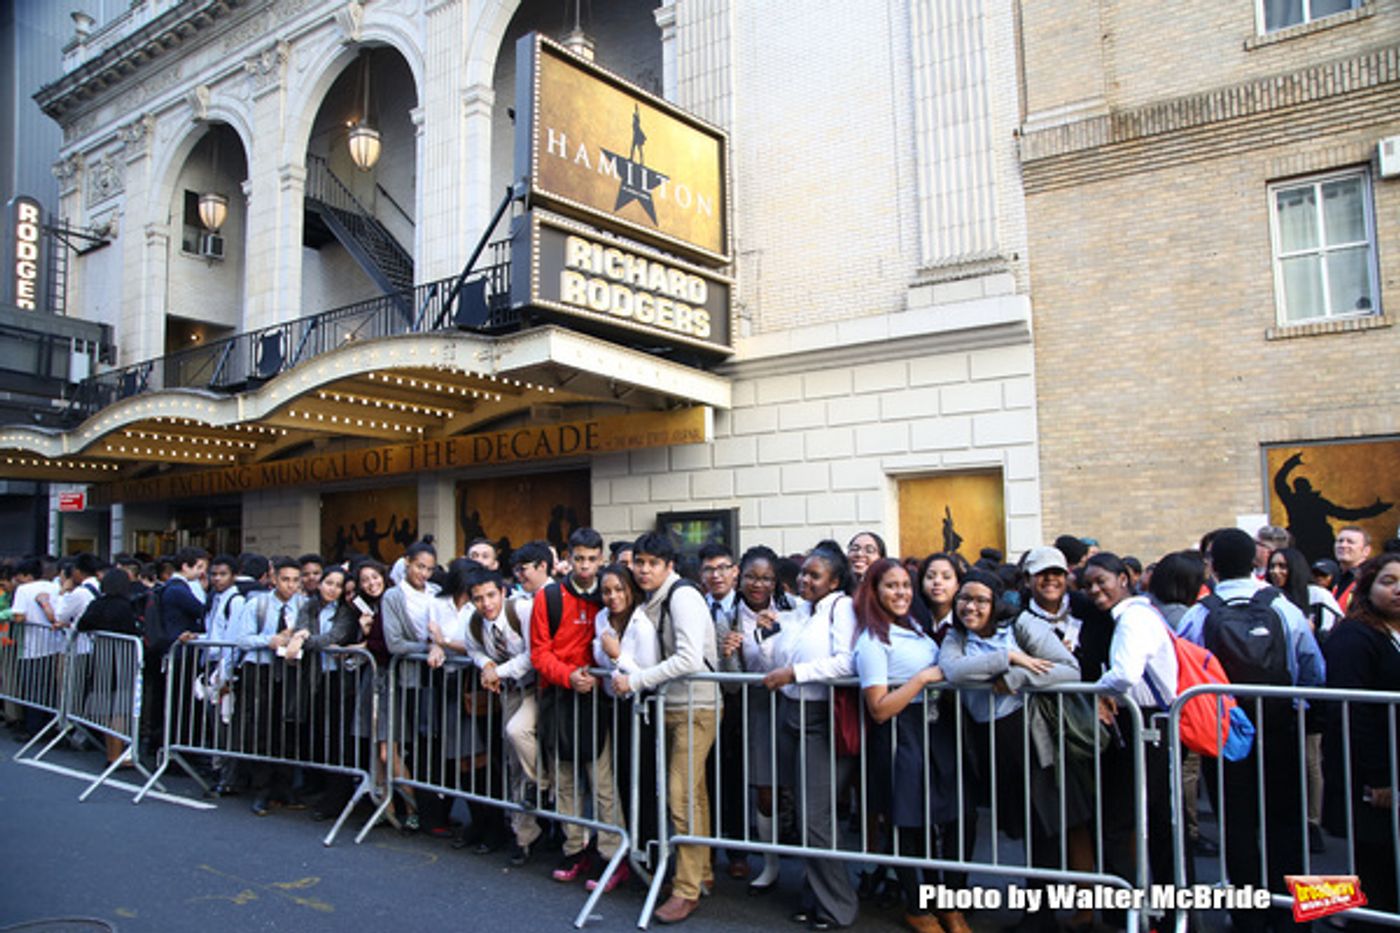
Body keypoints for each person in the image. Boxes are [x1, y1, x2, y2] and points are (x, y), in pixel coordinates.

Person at [1178, 529, 1324, 933]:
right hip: (1280, 725)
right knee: (1286, 823)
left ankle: (1248, 915)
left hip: (1224, 731)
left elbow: (1186, 669)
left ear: (1212, 565)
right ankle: (1291, 915)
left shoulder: (1200, 613)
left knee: (1237, 824)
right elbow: (1312, 666)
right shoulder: (1283, 607)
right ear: (1256, 561)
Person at [940, 568, 1080, 933]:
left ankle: (1043, 916)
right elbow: (953, 671)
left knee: (1042, 826)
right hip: (985, 739)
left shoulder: (1023, 625)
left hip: (1028, 735)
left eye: (980, 600)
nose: (970, 607)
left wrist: (1018, 677)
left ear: (996, 603)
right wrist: (1008, 659)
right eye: (964, 599)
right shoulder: (956, 635)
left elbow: (1070, 670)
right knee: (1017, 823)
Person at [850, 558, 962, 933]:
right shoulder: (872, 640)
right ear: (874, 591)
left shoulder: (913, 627)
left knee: (928, 824)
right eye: (891, 586)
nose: (901, 593)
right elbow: (879, 708)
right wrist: (921, 680)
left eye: (905, 585)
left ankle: (940, 904)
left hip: (929, 730)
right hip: (899, 735)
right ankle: (916, 908)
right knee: (906, 825)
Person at [614, 533, 719, 924]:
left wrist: (637, 680)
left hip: (696, 705)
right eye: (639, 562)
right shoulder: (655, 597)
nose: (644, 570)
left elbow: (689, 658)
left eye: (652, 563)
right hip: (675, 704)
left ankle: (686, 889)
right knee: (693, 794)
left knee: (681, 795)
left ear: (669, 565)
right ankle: (701, 872)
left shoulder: (682, 596)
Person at [760, 543, 859, 930]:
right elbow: (777, 660)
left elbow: (847, 662)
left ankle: (838, 906)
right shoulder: (799, 611)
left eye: (815, 575)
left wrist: (795, 674)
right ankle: (814, 895)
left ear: (834, 581)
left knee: (815, 816)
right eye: (804, 573)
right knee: (805, 815)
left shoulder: (842, 608)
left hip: (822, 716)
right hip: (791, 711)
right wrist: (767, 636)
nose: (804, 579)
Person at [1083, 552, 1183, 931]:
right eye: (1088, 584)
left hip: (1145, 725)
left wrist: (1096, 690)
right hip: (1150, 724)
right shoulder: (1139, 615)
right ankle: (1168, 916)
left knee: (1118, 824)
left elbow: (1125, 674)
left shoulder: (1133, 618)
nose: (1095, 590)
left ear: (1123, 579)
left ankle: (1127, 915)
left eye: (1101, 581)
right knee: (1157, 824)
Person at [1321, 555, 1400, 931]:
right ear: (1368, 587)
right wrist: (1378, 776)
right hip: (1371, 774)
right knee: (1374, 866)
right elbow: (1353, 712)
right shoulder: (1354, 636)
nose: (1398, 589)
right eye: (1388, 581)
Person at [530, 527, 605, 885]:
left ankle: (609, 853)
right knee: (565, 781)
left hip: (600, 699)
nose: (585, 565)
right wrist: (568, 675)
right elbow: (539, 652)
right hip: (559, 696)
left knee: (602, 782)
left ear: (601, 559)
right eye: (579, 558)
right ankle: (574, 849)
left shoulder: (611, 591)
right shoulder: (549, 597)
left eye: (592, 559)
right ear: (568, 558)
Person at [589, 562, 658, 892]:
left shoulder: (643, 623)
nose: (613, 596)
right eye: (606, 591)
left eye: (619, 589)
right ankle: (628, 853)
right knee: (621, 782)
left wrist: (617, 657)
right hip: (613, 706)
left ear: (631, 591)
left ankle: (649, 857)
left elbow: (648, 673)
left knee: (642, 783)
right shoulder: (601, 619)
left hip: (641, 709)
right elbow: (599, 660)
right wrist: (608, 659)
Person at [461, 565, 538, 863]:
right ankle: (523, 836)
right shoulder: (474, 623)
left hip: (538, 689)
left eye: (491, 595)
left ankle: (542, 785)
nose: (486, 603)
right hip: (510, 692)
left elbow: (533, 654)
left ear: (503, 592)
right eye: (479, 598)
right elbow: (474, 650)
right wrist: (486, 665)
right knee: (513, 762)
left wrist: (498, 671)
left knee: (517, 732)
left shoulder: (522, 611)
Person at [730, 545, 795, 893]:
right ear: (740, 577)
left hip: (794, 699)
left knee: (800, 786)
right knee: (765, 787)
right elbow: (746, 666)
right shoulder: (728, 615)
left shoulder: (792, 609)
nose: (758, 584)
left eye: (767, 578)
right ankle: (770, 863)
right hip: (757, 704)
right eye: (752, 577)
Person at [381, 541, 452, 835]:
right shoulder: (393, 596)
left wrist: (441, 644)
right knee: (419, 745)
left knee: (436, 746)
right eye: (419, 566)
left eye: (429, 569)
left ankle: (438, 812)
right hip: (409, 679)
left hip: (438, 678)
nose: (424, 573)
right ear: (407, 563)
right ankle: (423, 812)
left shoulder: (436, 593)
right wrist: (429, 647)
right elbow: (394, 642)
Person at [234, 556, 305, 816]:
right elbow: (243, 639)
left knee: (288, 729)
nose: (290, 585)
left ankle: (284, 787)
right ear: (274, 579)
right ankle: (261, 788)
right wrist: (269, 640)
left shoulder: (303, 605)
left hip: (290, 670)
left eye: (295, 580)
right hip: (261, 668)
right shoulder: (258, 603)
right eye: (285, 580)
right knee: (261, 729)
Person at [699, 541, 749, 880]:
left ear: (735, 572)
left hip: (739, 703)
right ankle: (709, 847)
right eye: (709, 569)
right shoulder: (696, 607)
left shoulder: (749, 608)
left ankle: (738, 850)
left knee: (736, 777)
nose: (716, 575)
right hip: (704, 701)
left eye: (722, 568)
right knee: (707, 776)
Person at [75, 569, 141, 766]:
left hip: (101, 658)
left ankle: (111, 753)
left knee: (104, 707)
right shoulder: (126, 606)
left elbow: (82, 625)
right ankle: (119, 754)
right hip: (123, 660)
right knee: (120, 708)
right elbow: (132, 631)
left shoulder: (97, 604)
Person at [910, 552, 961, 641]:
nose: (937, 581)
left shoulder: (963, 621)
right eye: (930, 577)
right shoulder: (912, 620)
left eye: (946, 577)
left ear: (958, 585)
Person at [1334, 526, 1373, 612]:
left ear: (1366, 551)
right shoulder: (1332, 578)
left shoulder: (1370, 580)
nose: (1343, 545)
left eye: (1350, 542)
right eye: (1340, 541)